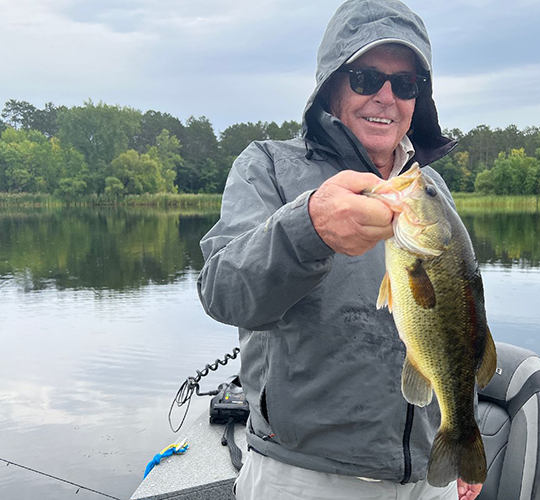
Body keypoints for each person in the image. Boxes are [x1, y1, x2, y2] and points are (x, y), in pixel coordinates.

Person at [197, 1, 481, 499]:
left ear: (420, 98)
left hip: (422, 479)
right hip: (303, 476)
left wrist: (461, 436)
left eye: (406, 83)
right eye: (367, 77)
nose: (386, 98)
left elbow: (460, 323)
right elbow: (224, 293)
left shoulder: (428, 187)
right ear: (331, 84)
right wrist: (307, 227)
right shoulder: (267, 167)